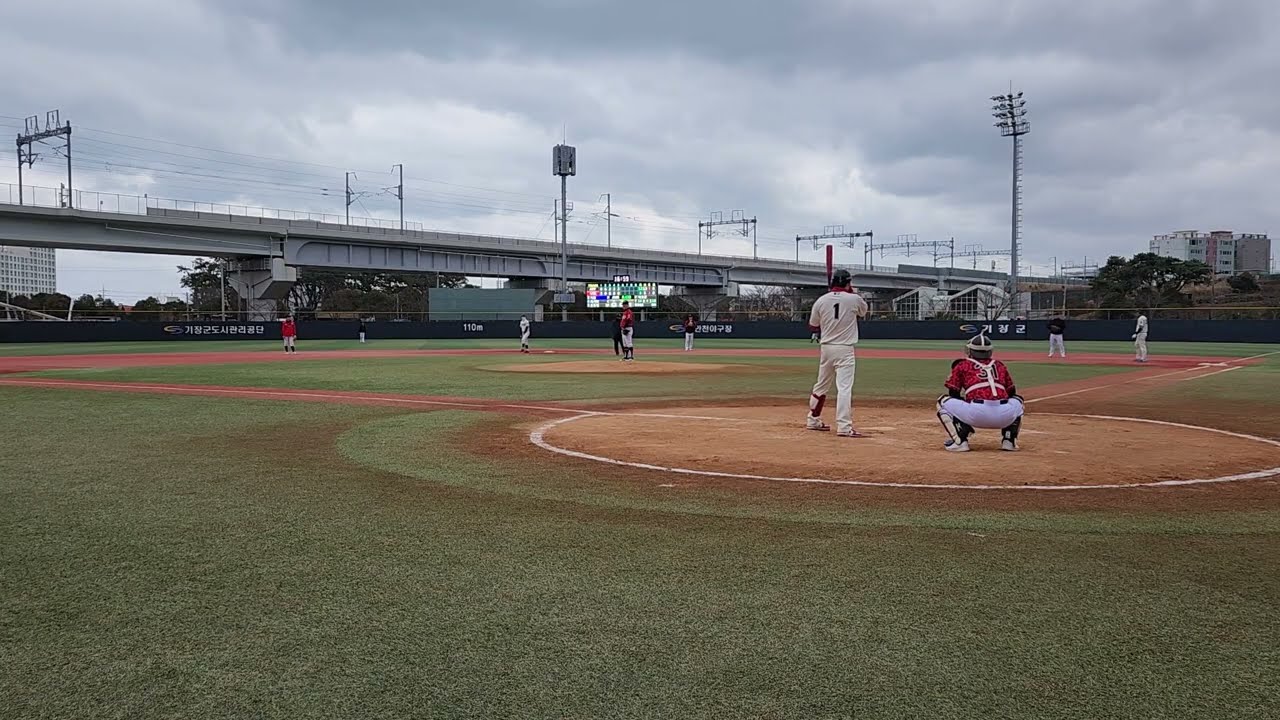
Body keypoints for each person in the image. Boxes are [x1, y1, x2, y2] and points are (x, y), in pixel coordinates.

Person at [804, 269, 868, 438]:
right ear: (848, 283)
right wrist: (851, 293)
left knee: (821, 385)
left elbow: (813, 326)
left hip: (826, 348)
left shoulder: (821, 300)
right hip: (845, 349)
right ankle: (844, 427)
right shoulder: (854, 298)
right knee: (844, 388)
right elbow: (863, 312)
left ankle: (813, 419)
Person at [936, 334, 1024, 452]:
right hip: (1005, 415)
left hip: (977, 413)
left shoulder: (963, 365)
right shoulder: (999, 365)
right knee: (1018, 401)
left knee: (942, 401)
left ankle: (960, 442)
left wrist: (963, 417)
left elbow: (953, 393)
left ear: (970, 350)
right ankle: (1009, 441)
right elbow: (1012, 392)